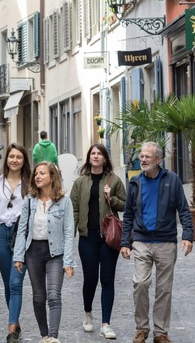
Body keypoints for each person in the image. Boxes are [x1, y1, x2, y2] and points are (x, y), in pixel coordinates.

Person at [121, 142, 194, 343]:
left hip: (166, 242)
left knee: (164, 288)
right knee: (140, 283)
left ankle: (160, 332)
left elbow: (184, 210)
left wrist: (187, 235)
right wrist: (125, 242)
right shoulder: (135, 182)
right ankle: (141, 328)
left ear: (158, 160)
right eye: (142, 156)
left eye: (147, 157)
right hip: (142, 241)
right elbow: (127, 215)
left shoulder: (172, 180)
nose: (143, 160)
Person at [13, 161, 76, 343]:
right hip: (33, 252)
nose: (37, 176)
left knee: (54, 295)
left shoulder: (65, 202)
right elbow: (22, 231)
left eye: (42, 173)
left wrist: (68, 262)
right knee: (38, 297)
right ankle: (44, 335)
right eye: (36, 174)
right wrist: (18, 256)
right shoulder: (29, 201)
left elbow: (68, 232)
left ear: (52, 177)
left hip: (55, 253)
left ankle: (54, 337)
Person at [70, 143, 127, 340]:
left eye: (99, 154)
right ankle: (88, 313)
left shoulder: (115, 180)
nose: (95, 156)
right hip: (88, 237)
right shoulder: (80, 182)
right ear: (89, 158)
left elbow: (126, 204)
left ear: (105, 158)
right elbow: (74, 209)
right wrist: (71, 234)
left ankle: (106, 323)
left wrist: (111, 198)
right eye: (93, 153)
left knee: (108, 280)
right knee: (90, 279)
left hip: (108, 237)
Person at [0, 143, 32, 343]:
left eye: (18, 157)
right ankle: (16, 322)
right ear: (6, 159)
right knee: (8, 283)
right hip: (0, 233)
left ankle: (11, 329)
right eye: (11, 156)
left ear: (24, 161)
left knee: (15, 282)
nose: (14, 160)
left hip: (22, 234)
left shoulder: (31, 183)